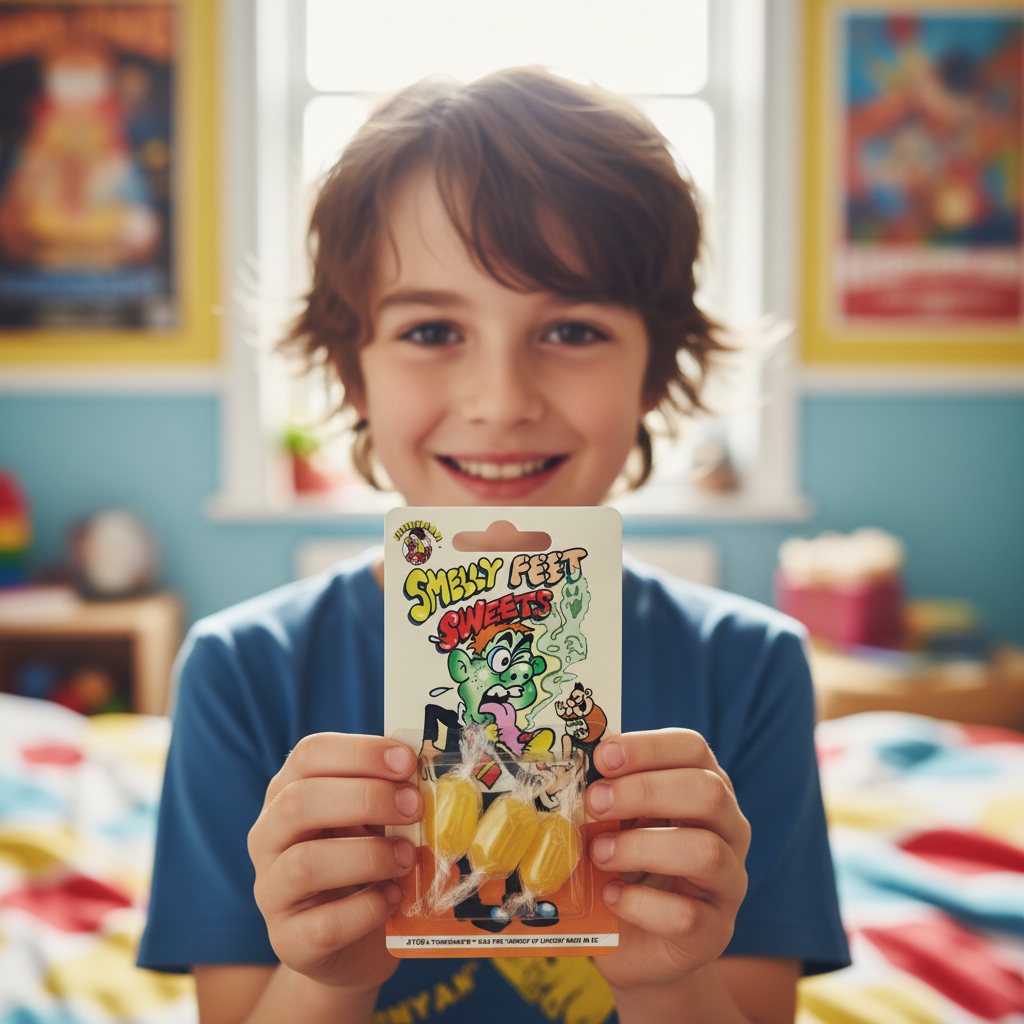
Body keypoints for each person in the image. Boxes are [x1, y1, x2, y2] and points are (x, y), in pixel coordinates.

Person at [138, 68, 849, 1023]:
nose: (501, 400)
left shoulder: (751, 667)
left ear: (654, 371)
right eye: (433, 328)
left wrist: (669, 977)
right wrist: (326, 975)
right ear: (352, 371)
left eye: (572, 328)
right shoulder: (240, 672)